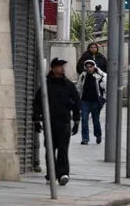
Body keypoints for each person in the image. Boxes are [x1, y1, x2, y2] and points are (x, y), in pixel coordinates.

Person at [33, 58, 80, 186]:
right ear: (53, 68)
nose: (62, 68)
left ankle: (63, 174)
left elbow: (76, 103)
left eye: (63, 66)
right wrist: (37, 119)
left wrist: (76, 120)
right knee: (50, 149)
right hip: (49, 122)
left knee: (63, 149)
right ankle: (51, 174)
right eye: (60, 66)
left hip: (64, 121)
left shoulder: (69, 85)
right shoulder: (45, 85)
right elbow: (37, 103)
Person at [76, 60, 106, 145]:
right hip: (85, 100)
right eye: (87, 67)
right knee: (84, 120)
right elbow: (79, 87)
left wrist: (103, 99)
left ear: (94, 66)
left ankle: (98, 135)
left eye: (91, 66)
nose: (89, 69)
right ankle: (85, 139)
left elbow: (106, 86)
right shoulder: (83, 76)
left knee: (95, 119)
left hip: (96, 101)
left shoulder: (100, 75)